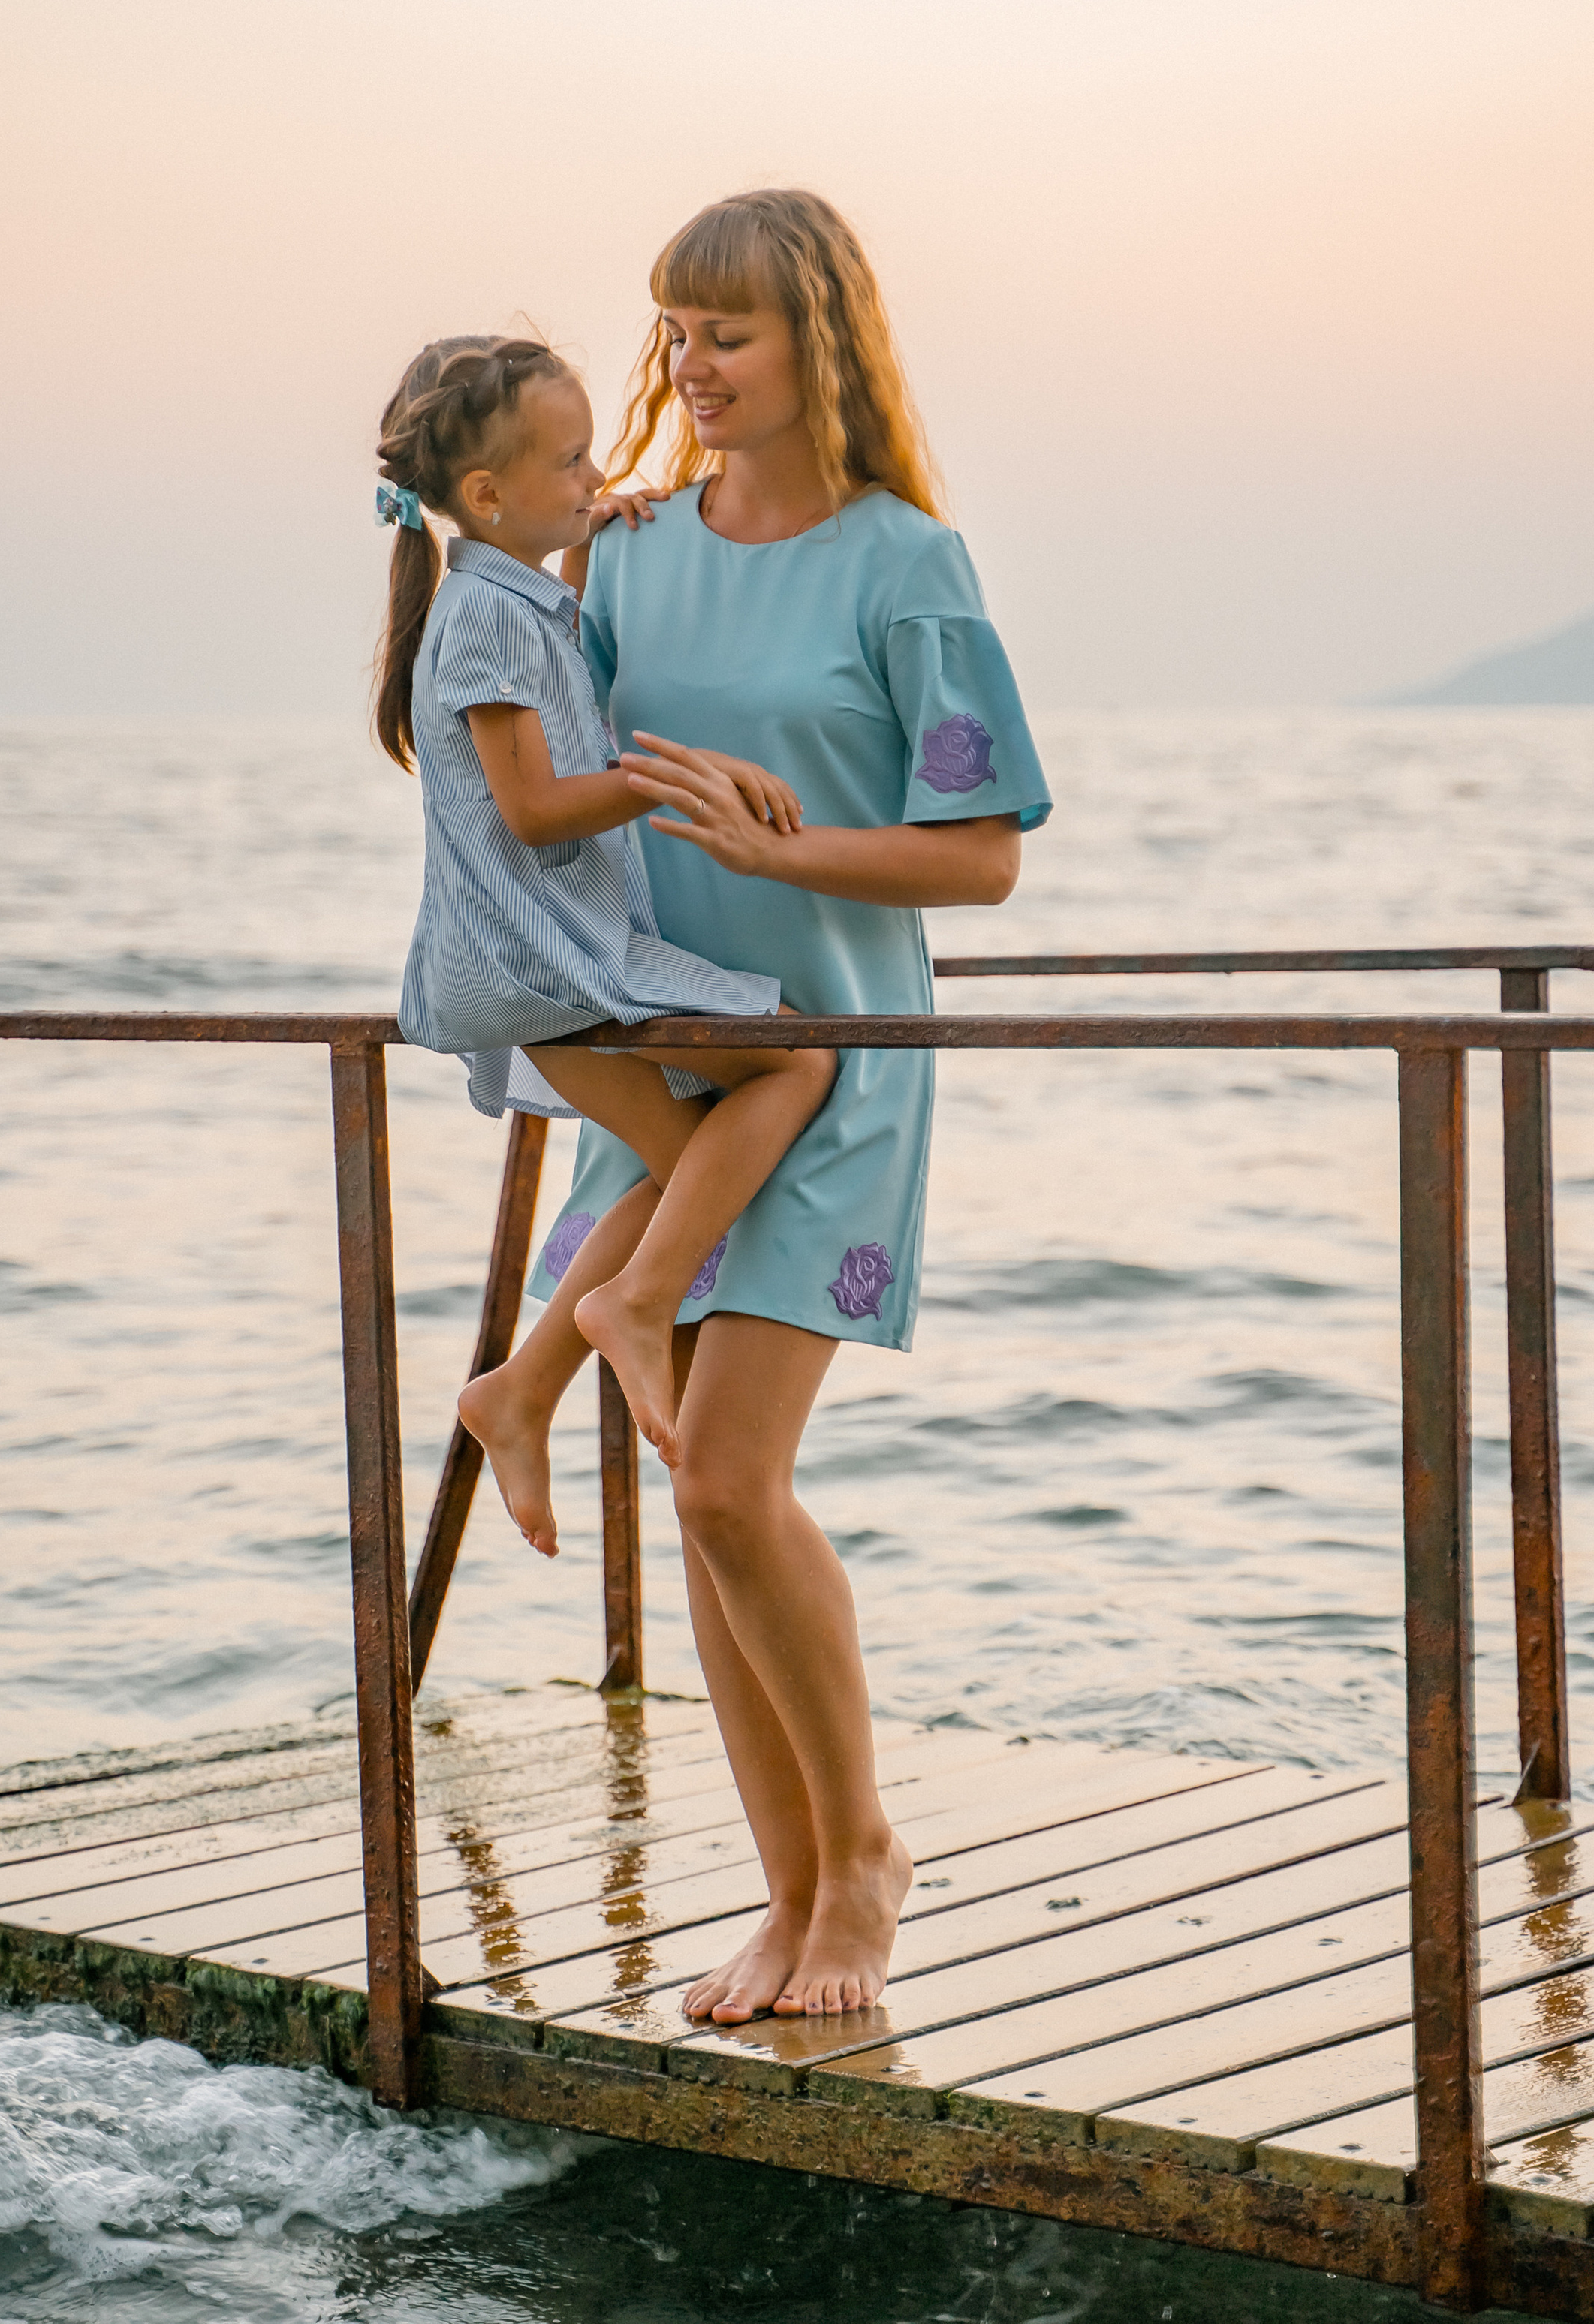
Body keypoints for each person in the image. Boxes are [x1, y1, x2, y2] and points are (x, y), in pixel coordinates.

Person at [524, 191, 1052, 2021]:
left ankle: (862, 1863)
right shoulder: (629, 551)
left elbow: (979, 859)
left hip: (835, 1072)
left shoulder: (908, 561)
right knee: (705, 1505)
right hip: (663, 1074)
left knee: (736, 1478)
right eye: (673, 328)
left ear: (820, 338)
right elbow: (535, 774)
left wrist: (789, 841)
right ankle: (785, 1889)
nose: (689, 365)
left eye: (726, 331)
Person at [374, 334, 838, 1536]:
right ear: (486, 497)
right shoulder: (480, 614)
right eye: (573, 462)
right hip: (545, 961)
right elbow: (532, 807)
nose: (600, 475)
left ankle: (522, 1389)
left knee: (690, 1157)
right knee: (797, 1058)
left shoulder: (507, 595)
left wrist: (583, 537)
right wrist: (672, 781)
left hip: (542, 958)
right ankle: (623, 1313)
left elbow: (547, 705)